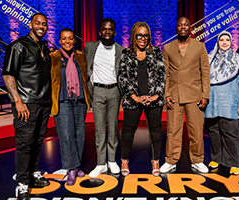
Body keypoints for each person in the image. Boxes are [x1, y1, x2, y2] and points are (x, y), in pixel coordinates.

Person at [2, 13, 51, 200]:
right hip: (26, 103)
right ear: (30, 24)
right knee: (24, 144)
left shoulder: (44, 46)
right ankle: (22, 183)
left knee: (37, 142)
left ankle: (33, 173)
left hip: (44, 103)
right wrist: (18, 101)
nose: (41, 26)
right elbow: (8, 75)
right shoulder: (18, 46)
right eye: (37, 23)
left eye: (44, 24)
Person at [160, 17, 210, 174]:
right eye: (180, 25)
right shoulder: (168, 47)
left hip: (195, 95)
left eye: (186, 25)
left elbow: (206, 73)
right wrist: (166, 93)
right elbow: (165, 74)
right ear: (176, 27)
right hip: (174, 96)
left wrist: (205, 95)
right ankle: (170, 160)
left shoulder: (199, 47)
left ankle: (197, 159)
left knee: (196, 130)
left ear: (190, 28)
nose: (183, 27)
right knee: (172, 130)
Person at [118, 21, 165, 176]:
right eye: (140, 35)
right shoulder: (126, 54)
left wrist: (155, 96)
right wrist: (135, 97)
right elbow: (123, 77)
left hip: (154, 99)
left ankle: (155, 161)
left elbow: (162, 76)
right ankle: (124, 160)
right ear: (134, 36)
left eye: (146, 35)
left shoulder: (156, 52)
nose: (143, 38)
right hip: (133, 100)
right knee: (128, 131)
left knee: (156, 131)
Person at [205, 31, 239, 175]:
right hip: (212, 103)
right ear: (217, 42)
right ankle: (216, 158)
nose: (224, 42)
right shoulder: (209, 59)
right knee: (214, 132)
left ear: (231, 42)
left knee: (230, 133)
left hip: (229, 103)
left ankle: (233, 162)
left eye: (227, 40)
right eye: (221, 40)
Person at [83, 18, 124, 178]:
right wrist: (90, 91)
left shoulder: (120, 50)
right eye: (104, 29)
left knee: (113, 128)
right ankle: (101, 163)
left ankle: (112, 161)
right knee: (99, 129)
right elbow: (86, 68)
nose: (107, 32)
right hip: (98, 91)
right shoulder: (90, 47)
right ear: (100, 31)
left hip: (114, 91)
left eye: (110, 29)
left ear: (115, 32)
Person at [50, 28, 91, 185]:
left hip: (79, 100)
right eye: (64, 39)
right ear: (60, 41)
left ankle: (77, 164)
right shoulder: (53, 57)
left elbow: (86, 76)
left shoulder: (80, 56)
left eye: (70, 38)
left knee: (79, 135)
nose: (67, 41)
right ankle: (71, 169)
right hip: (63, 100)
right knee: (67, 136)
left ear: (74, 40)